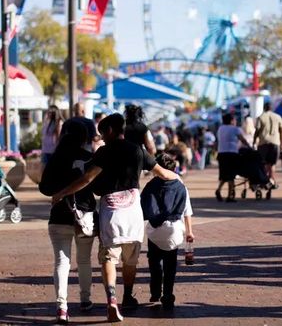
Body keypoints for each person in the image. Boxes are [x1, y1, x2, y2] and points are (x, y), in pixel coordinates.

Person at [51, 114, 179, 323]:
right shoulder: (138, 150)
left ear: (110, 130)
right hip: (133, 212)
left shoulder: (104, 152)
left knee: (108, 257)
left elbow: (86, 179)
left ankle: (112, 299)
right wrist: (179, 181)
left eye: (102, 133)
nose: (101, 137)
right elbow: (163, 173)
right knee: (130, 260)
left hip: (111, 212)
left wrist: (63, 193)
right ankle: (128, 295)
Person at [39, 122, 97, 324]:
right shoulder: (90, 158)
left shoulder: (56, 158)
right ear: (85, 137)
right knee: (84, 261)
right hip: (85, 216)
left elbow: (44, 188)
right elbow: (98, 188)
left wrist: (60, 190)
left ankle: (61, 306)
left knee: (61, 262)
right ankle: (85, 300)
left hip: (59, 215)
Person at [140, 153, 194, 310]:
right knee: (170, 265)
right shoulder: (180, 186)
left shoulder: (151, 185)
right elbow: (187, 211)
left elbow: (143, 206)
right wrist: (189, 232)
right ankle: (168, 295)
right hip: (173, 231)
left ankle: (155, 290)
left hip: (154, 230)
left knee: (154, 261)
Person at [216, 113, 251, 202]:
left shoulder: (220, 128)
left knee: (224, 174)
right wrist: (249, 146)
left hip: (221, 153)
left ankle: (219, 190)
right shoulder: (235, 129)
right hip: (231, 153)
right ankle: (230, 196)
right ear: (231, 120)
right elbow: (242, 139)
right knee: (231, 175)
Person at [254, 102, 282, 188]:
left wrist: (254, 141)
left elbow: (257, 130)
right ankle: (271, 180)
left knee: (264, 163)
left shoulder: (261, 117)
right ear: (271, 108)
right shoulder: (278, 117)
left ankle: (266, 180)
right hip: (275, 143)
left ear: (264, 108)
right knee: (272, 163)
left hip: (263, 143)